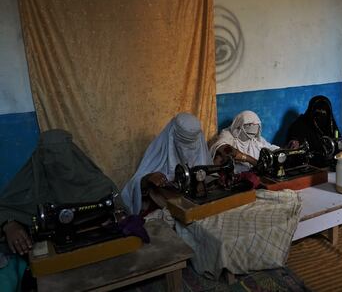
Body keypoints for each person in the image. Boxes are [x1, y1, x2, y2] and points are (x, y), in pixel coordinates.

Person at [0, 129, 117, 290]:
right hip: (50, 260)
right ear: (40, 157)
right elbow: (5, 207)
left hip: (92, 255)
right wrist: (9, 224)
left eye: (62, 154)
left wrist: (118, 216)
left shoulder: (92, 180)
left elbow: (117, 204)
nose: (57, 162)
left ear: (72, 152)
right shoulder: (30, 183)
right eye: (50, 156)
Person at [121, 113, 212, 214]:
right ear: (171, 135)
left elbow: (210, 179)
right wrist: (148, 178)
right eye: (183, 143)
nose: (187, 150)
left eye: (191, 145)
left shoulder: (201, 152)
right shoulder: (159, 154)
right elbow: (134, 184)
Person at [209, 110, 279, 173]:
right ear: (239, 126)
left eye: (256, 125)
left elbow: (269, 147)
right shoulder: (227, 134)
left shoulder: (254, 139)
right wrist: (250, 160)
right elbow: (223, 148)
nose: (253, 128)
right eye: (249, 125)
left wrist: (280, 151)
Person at [287, 95, 340, 167]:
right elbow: (295, 146)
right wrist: (295, 143)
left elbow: (338, 144)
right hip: (309, 167)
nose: (321, 116)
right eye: (317, 112)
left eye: (324, 113)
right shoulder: (299, 125)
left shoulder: (330, 125)